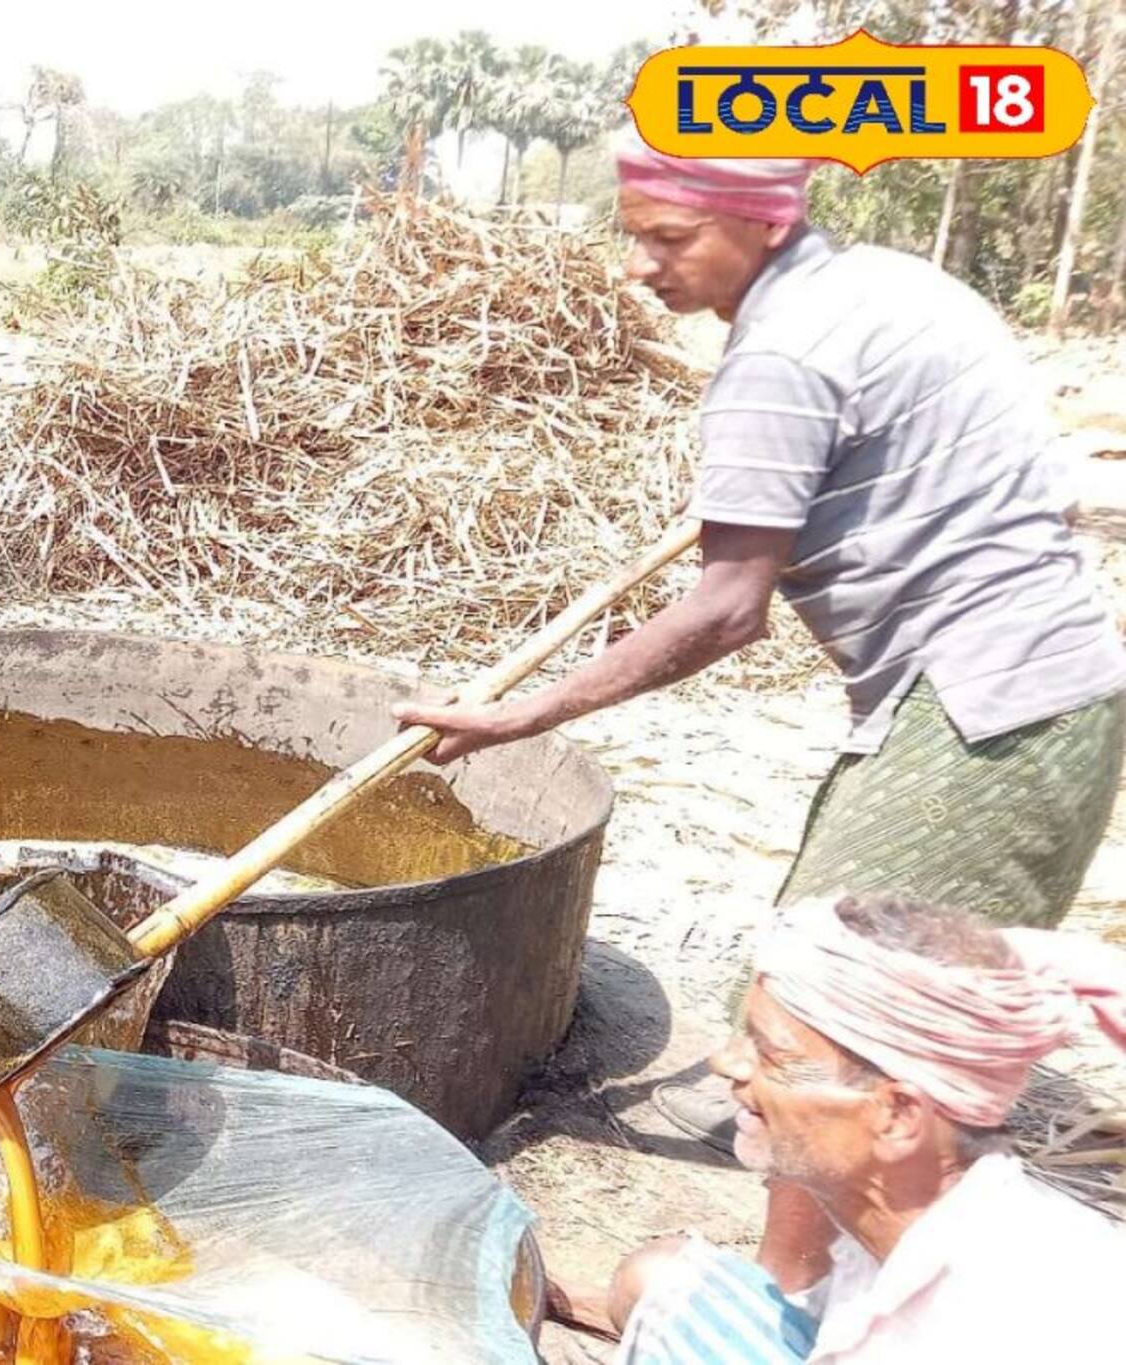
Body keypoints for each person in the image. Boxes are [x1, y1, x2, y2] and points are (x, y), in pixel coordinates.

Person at [391, 134, 1126, 1143]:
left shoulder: (780, 358)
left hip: (982, 705)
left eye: (670, 237)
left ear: (766, 219)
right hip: (1040, 682)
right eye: (633, 234)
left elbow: (726, 611)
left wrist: (521, 714)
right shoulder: (892, 285)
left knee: (849, 1018)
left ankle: (834, 1219)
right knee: (826, 980)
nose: (639, 266)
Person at [568, 891, 1126, 1362]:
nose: (725, 1063)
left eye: (771, 1054)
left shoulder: (1003, 1327)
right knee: (658, 1280)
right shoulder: (912, 1221)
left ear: (898, 1114)